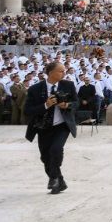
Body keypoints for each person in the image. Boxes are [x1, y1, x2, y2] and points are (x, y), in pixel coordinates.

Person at [24, 61, 78, 195]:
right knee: (45, 157)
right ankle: (60, 181)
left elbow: (76, 103)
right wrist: (45, 105)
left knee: (56, 149)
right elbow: (27, 110)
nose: (63, 73)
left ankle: (53, 179)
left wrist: (67, 105)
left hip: (62, 125)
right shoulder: (35, 89)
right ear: (50, 73)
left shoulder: (68, 85)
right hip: (43, 127)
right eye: (61, 71)